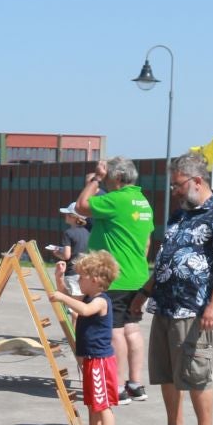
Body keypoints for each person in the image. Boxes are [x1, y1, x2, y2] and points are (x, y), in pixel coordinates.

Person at [132, 152, 213, 425]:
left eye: (177, 185)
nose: (174, 191)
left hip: (193, 310)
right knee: (166, 374)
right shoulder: (180, 215)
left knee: (196, 374)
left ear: (196, 181)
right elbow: (167, 259)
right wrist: (144, 292)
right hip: (165, 307)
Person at [77, 158, 155, 403]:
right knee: (132, 329)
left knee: (114, 332)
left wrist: (95, 179)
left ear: (118, 177)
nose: (106, 179)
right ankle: (135, 383)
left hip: (116, 279)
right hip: (138, 276)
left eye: (109, 175)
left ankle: (118, 386)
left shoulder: (116, 199)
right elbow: (147, 242)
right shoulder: (143, 202)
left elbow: (81, 205)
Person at [48, 251, 120, 425]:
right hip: (90, 360)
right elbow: (67, 298)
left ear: (94, 280)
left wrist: (63, 296)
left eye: (81, 277)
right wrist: (60, 278)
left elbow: (84, 310)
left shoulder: (99, 301)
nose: (78, 281)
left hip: (100, 361)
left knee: (102, 405)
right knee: (92, 404)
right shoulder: (89, 297)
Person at [46, 203, 89, 293]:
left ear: (73, 217)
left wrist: (57, 253)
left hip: (72, 272)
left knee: (70, 303)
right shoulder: (87, 232)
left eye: (68, 214)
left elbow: (66, 256)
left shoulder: (68, 233)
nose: (65, 216)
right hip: (84, 272)